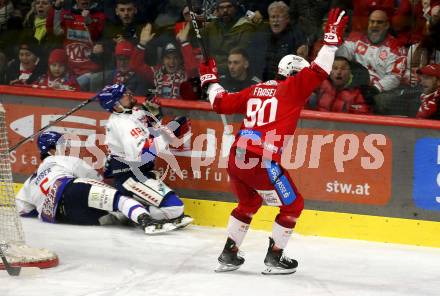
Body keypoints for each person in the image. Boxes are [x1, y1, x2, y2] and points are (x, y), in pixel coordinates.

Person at [199, 8, 348, 274]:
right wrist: (331, 42)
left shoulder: (257, 88)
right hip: (261, 159)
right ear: (293, 73)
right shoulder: (292, 88)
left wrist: (210, 81)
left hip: (237, 158)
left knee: (248, 203)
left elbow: (220, 102)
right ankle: (275, 257)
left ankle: (228, 254)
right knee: (293, 204)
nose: (306, 83)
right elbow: (320, 69)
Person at [16, 131, 177, 234]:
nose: (65, 149)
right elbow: (96, 180)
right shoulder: (65, 159)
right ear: (51, 150)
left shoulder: (31, 180)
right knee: (119, 200)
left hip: (62, 217)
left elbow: (22, 209)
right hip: (71, 191)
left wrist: (44, 205)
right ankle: (147, 220)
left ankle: (133, 215)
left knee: (114, 215)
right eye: (62, 146)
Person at [97, 83, 193, 228]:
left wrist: (155, 116)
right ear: (116, 105)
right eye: (124, 95)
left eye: (127, 91)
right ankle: (128, 213)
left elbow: (150, 135)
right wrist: (171, 133)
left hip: (138, 174)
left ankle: (127, 209)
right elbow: (143, 155)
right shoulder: (122, 124)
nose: (129, 94)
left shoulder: (132, 113)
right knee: (175, 208)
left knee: (174, 206)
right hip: (130, 177)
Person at [336, 9, 407, 115]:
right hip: (353, 87)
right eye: (372, 21)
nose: (375, 25)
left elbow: (394, 77)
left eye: (379, 22)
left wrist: (375, 89)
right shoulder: (356, 39)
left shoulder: (396, 48)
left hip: (378, 92)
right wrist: (338, 40)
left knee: (380, 102)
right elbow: (341, 56)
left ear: (387, 25)